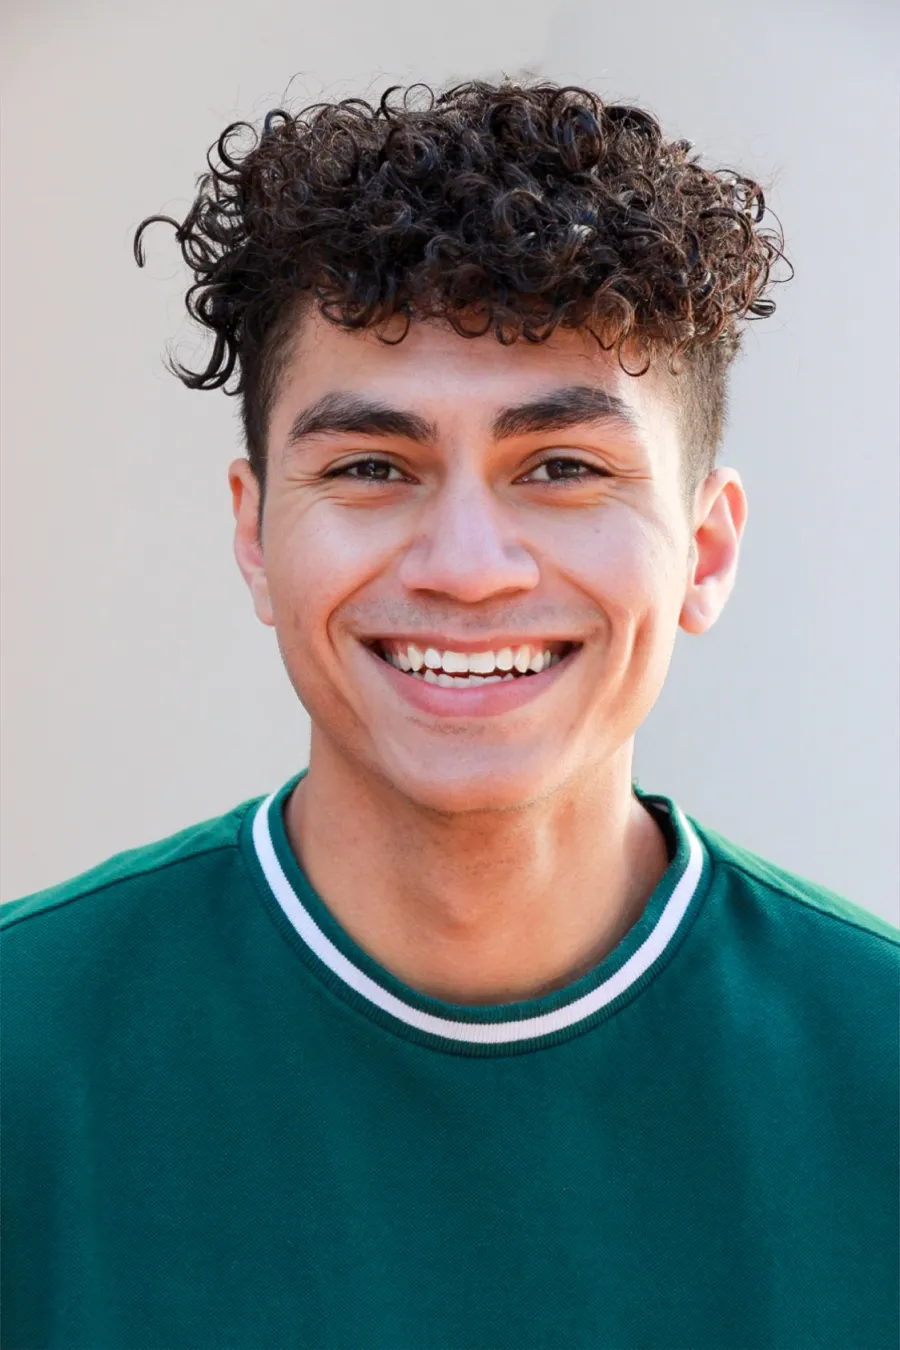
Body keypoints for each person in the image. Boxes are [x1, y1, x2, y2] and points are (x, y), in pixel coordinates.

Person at [2, 79, 897, 1350]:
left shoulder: (876, 1068)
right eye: (373, 467)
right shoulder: (26, 1052)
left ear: (704, 550)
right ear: (255, 536)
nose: (468, 568)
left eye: (564, 468)